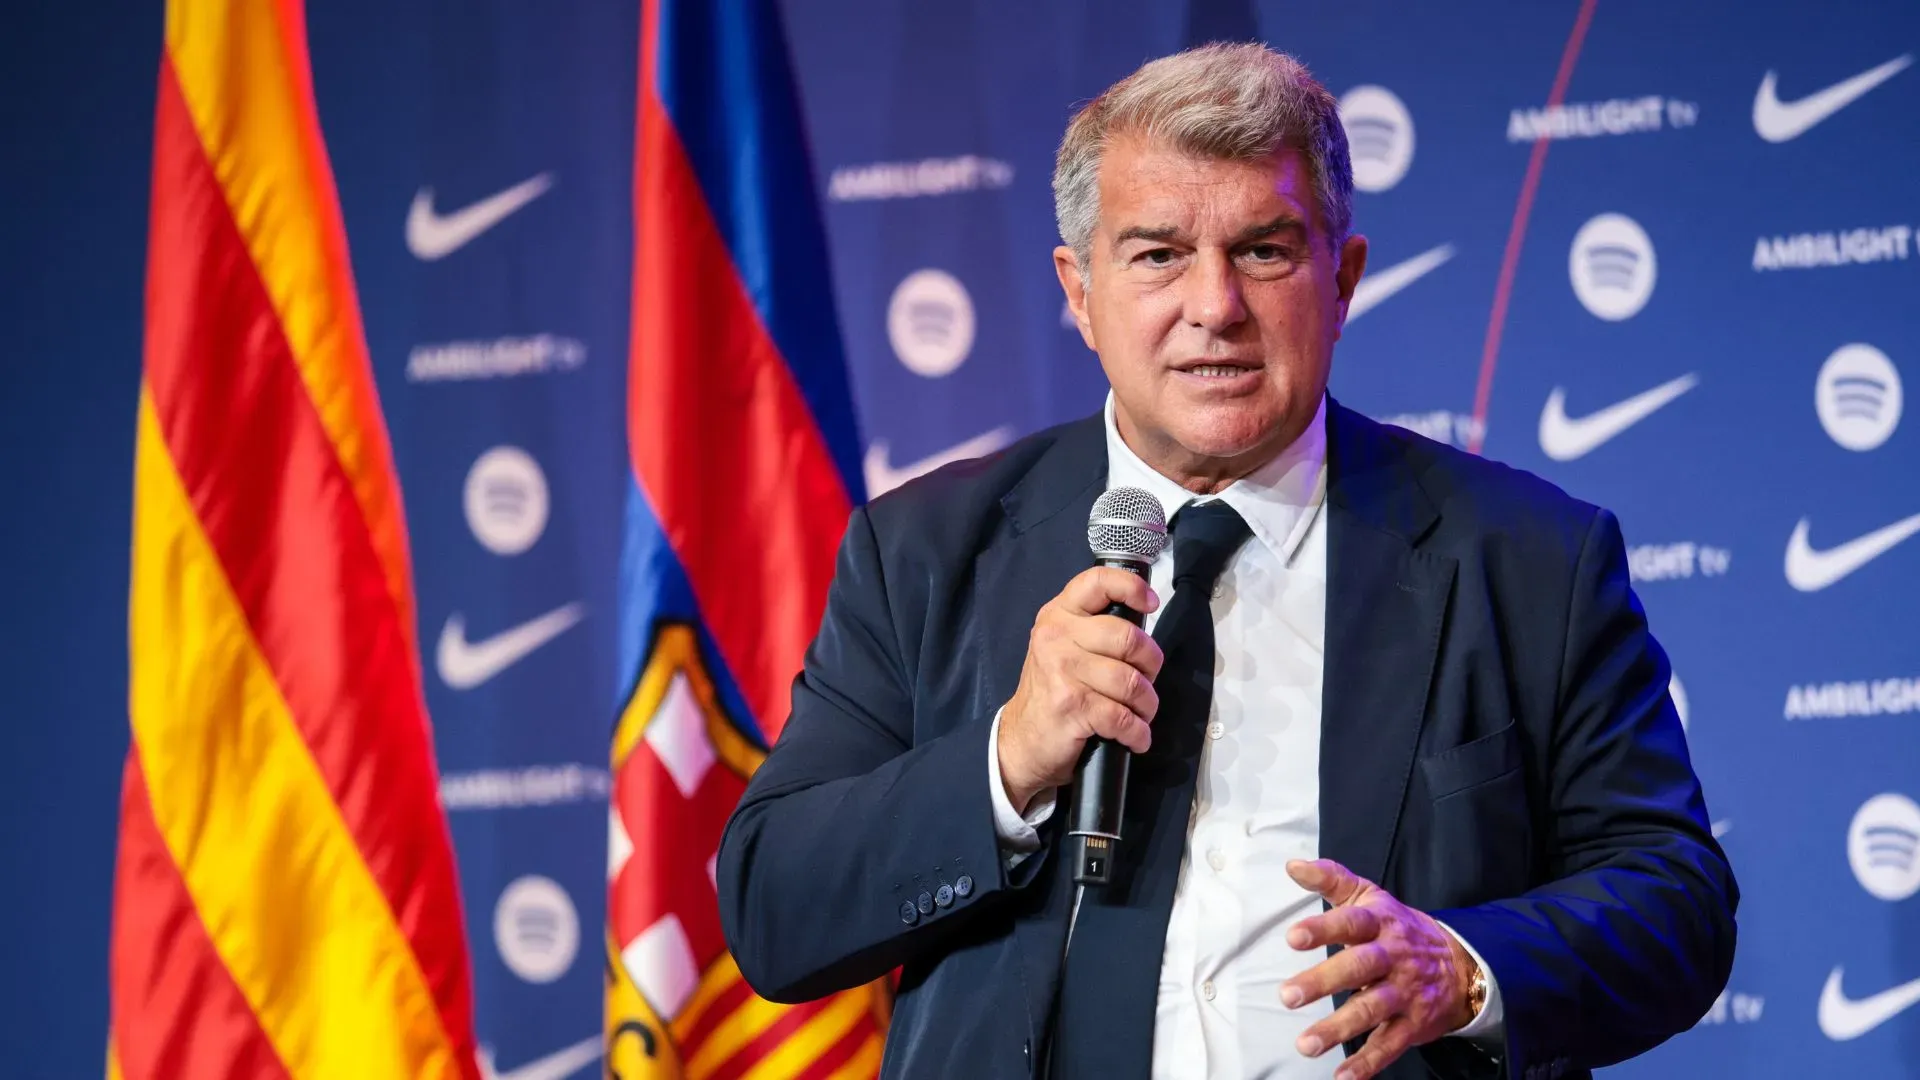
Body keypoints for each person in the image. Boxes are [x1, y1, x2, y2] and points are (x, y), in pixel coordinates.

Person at [715, 42, 1736, 1080]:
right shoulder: (924, 551)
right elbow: (774, 908)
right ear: (1080, 292)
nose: (1216, 308)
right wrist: (1009, 758)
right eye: (1158, 254)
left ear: (1342, 280)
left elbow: (1675, 899)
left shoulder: (1527, 560)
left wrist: (1466, 972)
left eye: (1263, 251)